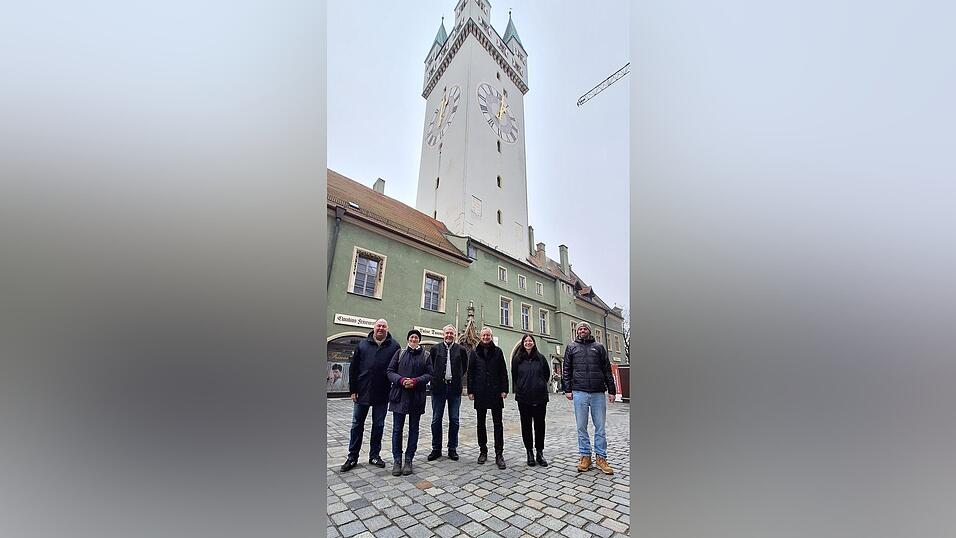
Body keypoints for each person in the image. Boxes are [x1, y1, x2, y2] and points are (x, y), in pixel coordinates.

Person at [340, 319, 400, 472]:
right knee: (356, 425)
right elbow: (353, 369)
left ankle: (374, 455)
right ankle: (352, 457)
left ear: (387, 328)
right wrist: (352, 390)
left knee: (378, 425)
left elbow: (397, 369)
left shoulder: (394, 346)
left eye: (383, 326)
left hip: (382, 392)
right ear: (374, 327)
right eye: (378, 326)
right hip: (362, 391)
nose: (381, 328)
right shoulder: (362, 344)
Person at [562, 321, 616, 475]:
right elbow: (567, 369)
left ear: (589, 331)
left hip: (598, 392)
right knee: (581, 426)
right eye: (580, 328)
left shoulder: (598, 347)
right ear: (577, 331)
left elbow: (606, 369)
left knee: (600, 427)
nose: (582, 330)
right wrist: (567, 389)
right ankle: (585, 456)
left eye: (585, 328)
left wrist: (612, 390)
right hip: (579, 391)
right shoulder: (571, 347)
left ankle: (601, 458)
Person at [386, 329, 434, 476]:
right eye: (411, 337)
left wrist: (415, 381)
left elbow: (430, 374)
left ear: (419, 340)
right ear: (408, 339)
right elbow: (390, 371)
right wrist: (401, 380)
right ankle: (397, 460)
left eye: (416, 337)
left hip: (416, 397)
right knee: (397, 430)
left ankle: (408, 459)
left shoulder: (426, 355)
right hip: (399, 395)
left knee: (414, 429)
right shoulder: (399, 353)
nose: (414, 339)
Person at [467, 327, 509, 469]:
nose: (486, 337)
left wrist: (504, 389)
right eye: (484, 335)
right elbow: (471, 373)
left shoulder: (498, 351)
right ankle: (483, 451)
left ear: (491, 336)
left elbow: (503, 371)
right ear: (480, 336)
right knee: (481, 423)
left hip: (496, 391)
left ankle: (499, 454)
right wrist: (470, 391)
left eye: (488, 335)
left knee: (498, 424)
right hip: (480, 392)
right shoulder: (474, 352)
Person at [427, 324, 468, 462]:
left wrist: (456, 377)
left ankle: (452, 448)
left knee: (454, 420)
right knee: (436, 419)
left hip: (454, 389)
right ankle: (436, 448)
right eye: (447, 333)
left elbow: (464, 367)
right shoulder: (435, 349)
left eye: (452, 333)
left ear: (455, 335)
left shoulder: (461, 350)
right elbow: (430, 366)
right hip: (438, 388)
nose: (449, 335)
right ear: (443, 334)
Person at [511, 333, 551, 467]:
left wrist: (539, 384)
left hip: (540, 397)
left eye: (530, 341)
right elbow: (515, 376)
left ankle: (540, 453)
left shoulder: (541, 358)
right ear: (523, 343)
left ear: (534, 343)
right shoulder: (517, 359)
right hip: (524, 398)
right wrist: (522, 386)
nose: (528, 343)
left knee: (540, 426)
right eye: (526, 341)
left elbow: (546, 374)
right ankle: (529, 453)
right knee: (526, 426)